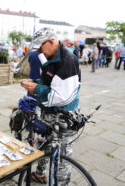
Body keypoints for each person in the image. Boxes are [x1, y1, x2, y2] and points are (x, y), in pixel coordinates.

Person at [20, 27, 81, 185]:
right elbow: (50, 83)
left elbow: (62, 96)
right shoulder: (50, 57)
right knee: (43, 144)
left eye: (41, 47)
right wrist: (35, 83)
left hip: (63, 116)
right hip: (49, 113)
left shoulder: (68, 61)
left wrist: (36, 89)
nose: (40, 51)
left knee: (62, 159)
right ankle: (40, 174)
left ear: (51, 41)